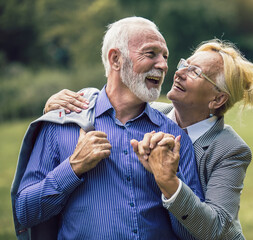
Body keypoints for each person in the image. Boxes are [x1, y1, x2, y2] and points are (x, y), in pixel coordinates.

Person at [45, 39, 253, 239]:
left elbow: (217, 228)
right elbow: (112, 96)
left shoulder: (230, 150)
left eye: (194, 72)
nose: (179, 73)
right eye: (184, 64)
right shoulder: (150, 113)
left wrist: (170, 183)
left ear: (217, 99)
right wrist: (58, 107)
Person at [12, 16, 204, 240]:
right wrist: (73, 168)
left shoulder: (175, 138)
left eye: (165, 56)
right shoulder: (61, 124)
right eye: (151, 53)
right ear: (115, 59)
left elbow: (194, 235)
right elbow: (24, 212)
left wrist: (169, 181)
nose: (162, 65)